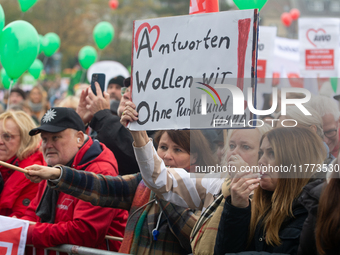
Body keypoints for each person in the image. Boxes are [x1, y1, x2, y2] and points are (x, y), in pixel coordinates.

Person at [25, 128, 215, 254]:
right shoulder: (144, 183)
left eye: (178, 150)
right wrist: (58, 175)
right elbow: (103, 187)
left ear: (195, 156)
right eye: (163, 147)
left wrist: (163, 189)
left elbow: (196, 236)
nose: (166, 155)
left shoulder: (208, 188)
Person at [22, 107, 127, 254]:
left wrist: (25, 233)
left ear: (79, 138)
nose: (48, 145)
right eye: (44, 139)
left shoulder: (100, 171)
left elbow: (85, 232)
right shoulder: (52, 167)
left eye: (55, 137)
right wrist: (17, 227)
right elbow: (34, 212)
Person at [214, 127, 326, 255]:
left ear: (294, 161)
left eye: (271, 153)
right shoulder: (259, 203)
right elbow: (224, 251)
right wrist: (237, 208)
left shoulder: (314, 209)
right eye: (261, 153)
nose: (261, 161)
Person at [76, 78, 140, 175]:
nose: (125, 95)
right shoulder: (105, 131)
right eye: (126, 90)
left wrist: (102, 115)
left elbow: (133, 154)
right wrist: (79, 123)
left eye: (133, 92)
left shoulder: (156, 135)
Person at [0, 111, 45, 217]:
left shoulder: (33, 173)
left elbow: (19, 221)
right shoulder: (5, 166)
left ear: (25, 139)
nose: (0, 141)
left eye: (7, 136)